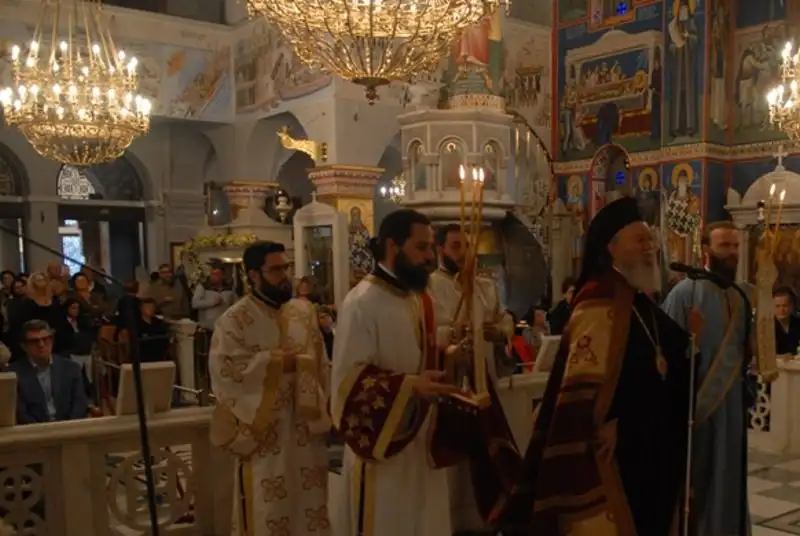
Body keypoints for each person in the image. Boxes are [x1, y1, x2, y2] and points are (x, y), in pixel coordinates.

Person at [490, 196, 691, 536]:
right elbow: (583, 389)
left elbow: (667, 351)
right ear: (612, 249)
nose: (650, 247)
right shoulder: (598, 299)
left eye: (651, 240)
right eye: (640, 240)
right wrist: (611, 419)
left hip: (647, 440)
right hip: (613, 452)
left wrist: (691, 342)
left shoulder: (636, 298)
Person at [331, 210, 518, 536]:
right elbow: (347, 385)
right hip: (384, 447)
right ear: (393, 246)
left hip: (422, 439)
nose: (430, 256)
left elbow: (423, 356)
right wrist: (409, 386)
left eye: (431, 247)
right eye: (421, 247)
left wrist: (450, 356)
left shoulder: (419, 298)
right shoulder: (361, 303)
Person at [209, 241, 330, 536]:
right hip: (264, 435)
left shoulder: (303, 312)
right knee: (269, 511)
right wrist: (274, 363)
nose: (284, 275)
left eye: (286, 267)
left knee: (310, 507)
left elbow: (322, 364)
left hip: (304, 433)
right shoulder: (234, 320)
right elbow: (226, 374)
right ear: (254, 275)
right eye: (275, 270)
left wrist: (325, 407)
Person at [427, 223, 520, 534]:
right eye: (455, 246)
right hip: (452, 385)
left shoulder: (484, 286)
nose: (464, 253)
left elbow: (504, 318)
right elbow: (429, 333)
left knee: (486, 455)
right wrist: (455, 337)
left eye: (467, 246)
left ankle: (486, 521)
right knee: (454, 461)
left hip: (485, 382)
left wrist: (500, 331)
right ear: (440, 249)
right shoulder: (429, 287)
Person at [662, 220, 751, 536]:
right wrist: (691, 342)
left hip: (733, 408)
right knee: (700, 482)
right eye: (724, 245)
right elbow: (666, 355)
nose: (732, 252)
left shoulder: (740, 297)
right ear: (706, 250)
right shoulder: (685, 293)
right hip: (696, 410)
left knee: (729, 477)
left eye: (736, 245)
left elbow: (745, 354)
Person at [9, 319, 88, 424]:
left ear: (52, 341)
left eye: (45, 339)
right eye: (34, 341)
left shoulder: (71, 368)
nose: (41, 345)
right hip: (33, 430)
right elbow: (20, 413)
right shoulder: (12, 374)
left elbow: (79, 406)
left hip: (69, 428)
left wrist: (67, 428)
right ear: (24, 346)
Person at [191, 265, 235, 332]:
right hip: (207, 329)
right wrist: (212, 302)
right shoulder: (203, 287)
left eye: (216, 274)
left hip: (224, 329)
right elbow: (195, 303)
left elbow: (234, 305)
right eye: (212, 274)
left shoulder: (230, 289)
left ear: (222, 276)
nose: (213, 277)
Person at [774, 286, 800, 355]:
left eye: (785, 305)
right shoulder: (769, 327)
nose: (781, 309)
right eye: (778, 306)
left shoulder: (798, 323)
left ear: (792, 306)